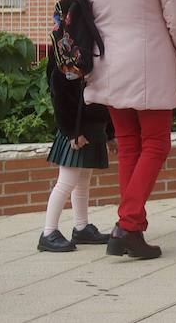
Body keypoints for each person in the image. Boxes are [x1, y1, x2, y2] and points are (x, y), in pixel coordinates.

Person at [82, 0, 176, 260]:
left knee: (129, 144)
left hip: (109, 65)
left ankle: (132, 228)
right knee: (157, 143)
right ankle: (127, 224)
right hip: (151, 64)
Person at [37, 47, 113, 252]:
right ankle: (48, 232)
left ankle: (81, 227)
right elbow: (61, 98)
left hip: (92, 128)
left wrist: (110, 133)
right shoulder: (68, 51)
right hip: (77, 132)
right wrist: (72, 131)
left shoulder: (94, 49)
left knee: (82, 180)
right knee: (66, 181)